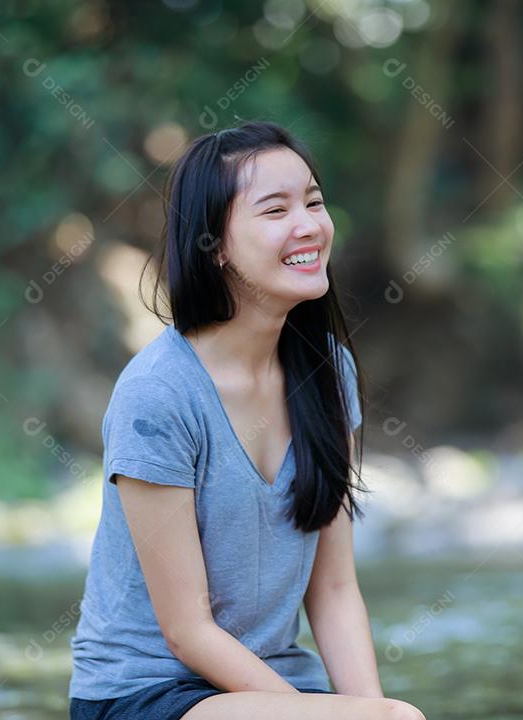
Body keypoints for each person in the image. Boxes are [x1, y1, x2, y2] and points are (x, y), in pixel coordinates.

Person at [68, 120, 426, 720]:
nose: (309, 224)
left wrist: (368, 710)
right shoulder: (159, 395)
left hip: (270, 688)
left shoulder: (327, 374)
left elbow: (334, 592)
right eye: (275, 210)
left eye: (313, 201)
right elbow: (187, 631)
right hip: (149, 695)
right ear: (216, 245)